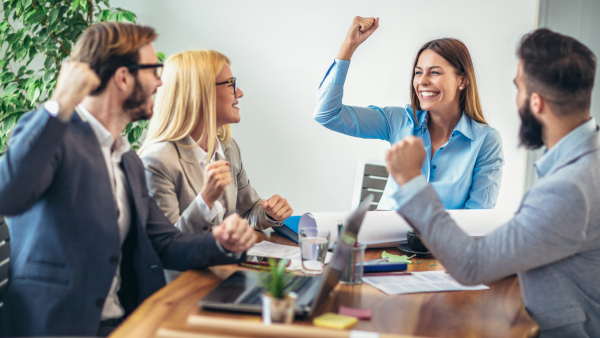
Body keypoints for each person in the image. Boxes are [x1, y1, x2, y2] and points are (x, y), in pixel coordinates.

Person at [0, 23, 256, 337]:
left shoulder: (127, 159)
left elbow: (164, 242)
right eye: (153, 70)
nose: (161, 82)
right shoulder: (55, 135)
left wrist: (222, 243)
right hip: (53, 326)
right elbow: (8, 195)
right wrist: (59, 104)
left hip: (120, 321)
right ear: (123, 78)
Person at [385, 28, 599, 337]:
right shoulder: (586, 161)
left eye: (518, 89)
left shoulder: (568, 188)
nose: (517, 100)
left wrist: (411, 180)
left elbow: (472, 266)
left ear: (535, 102)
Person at [314, 16, 504, 210]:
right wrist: (349, 46)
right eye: (418, 72)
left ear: (462, 81)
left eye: (435, 72)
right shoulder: (398, 121)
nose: (422, 81)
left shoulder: (486, 141)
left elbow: (476, 218)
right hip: (386, 239)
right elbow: (327, 114)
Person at [138, 50, 292, 281]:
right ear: (200, 93)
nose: (239, 92)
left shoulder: (228, 148)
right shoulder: (158, 160)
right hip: (178, 288)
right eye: (231, 84)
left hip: (222, 274)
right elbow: (165, 250)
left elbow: (248, 211)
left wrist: (270, 213)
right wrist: (205, 200)